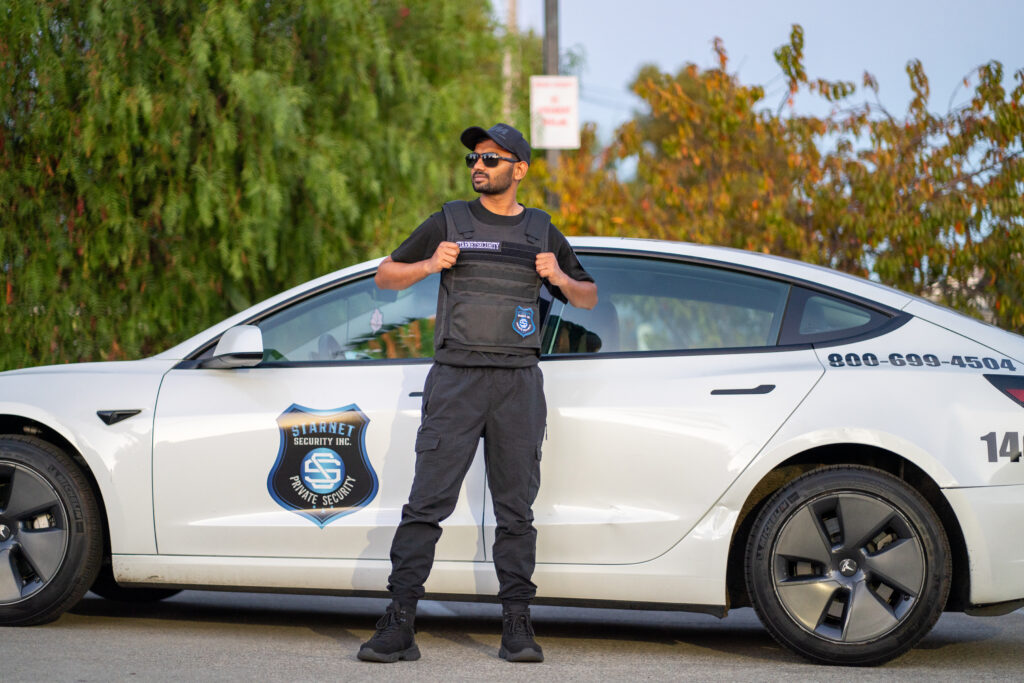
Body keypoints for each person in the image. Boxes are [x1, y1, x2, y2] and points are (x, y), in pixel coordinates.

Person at [358, 123, 597, 663]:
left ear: (520, 169)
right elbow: (385, 274)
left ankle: (516, 624)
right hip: (456, 379)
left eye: (490, 158)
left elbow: (587, 297)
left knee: (516, 512)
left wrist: (557, 274)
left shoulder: (542, 230)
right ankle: (399, 621)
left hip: (517, 383)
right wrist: (427, 264)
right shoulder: (449, 220)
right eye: (473, 158)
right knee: (426, 505)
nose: (477, 166)